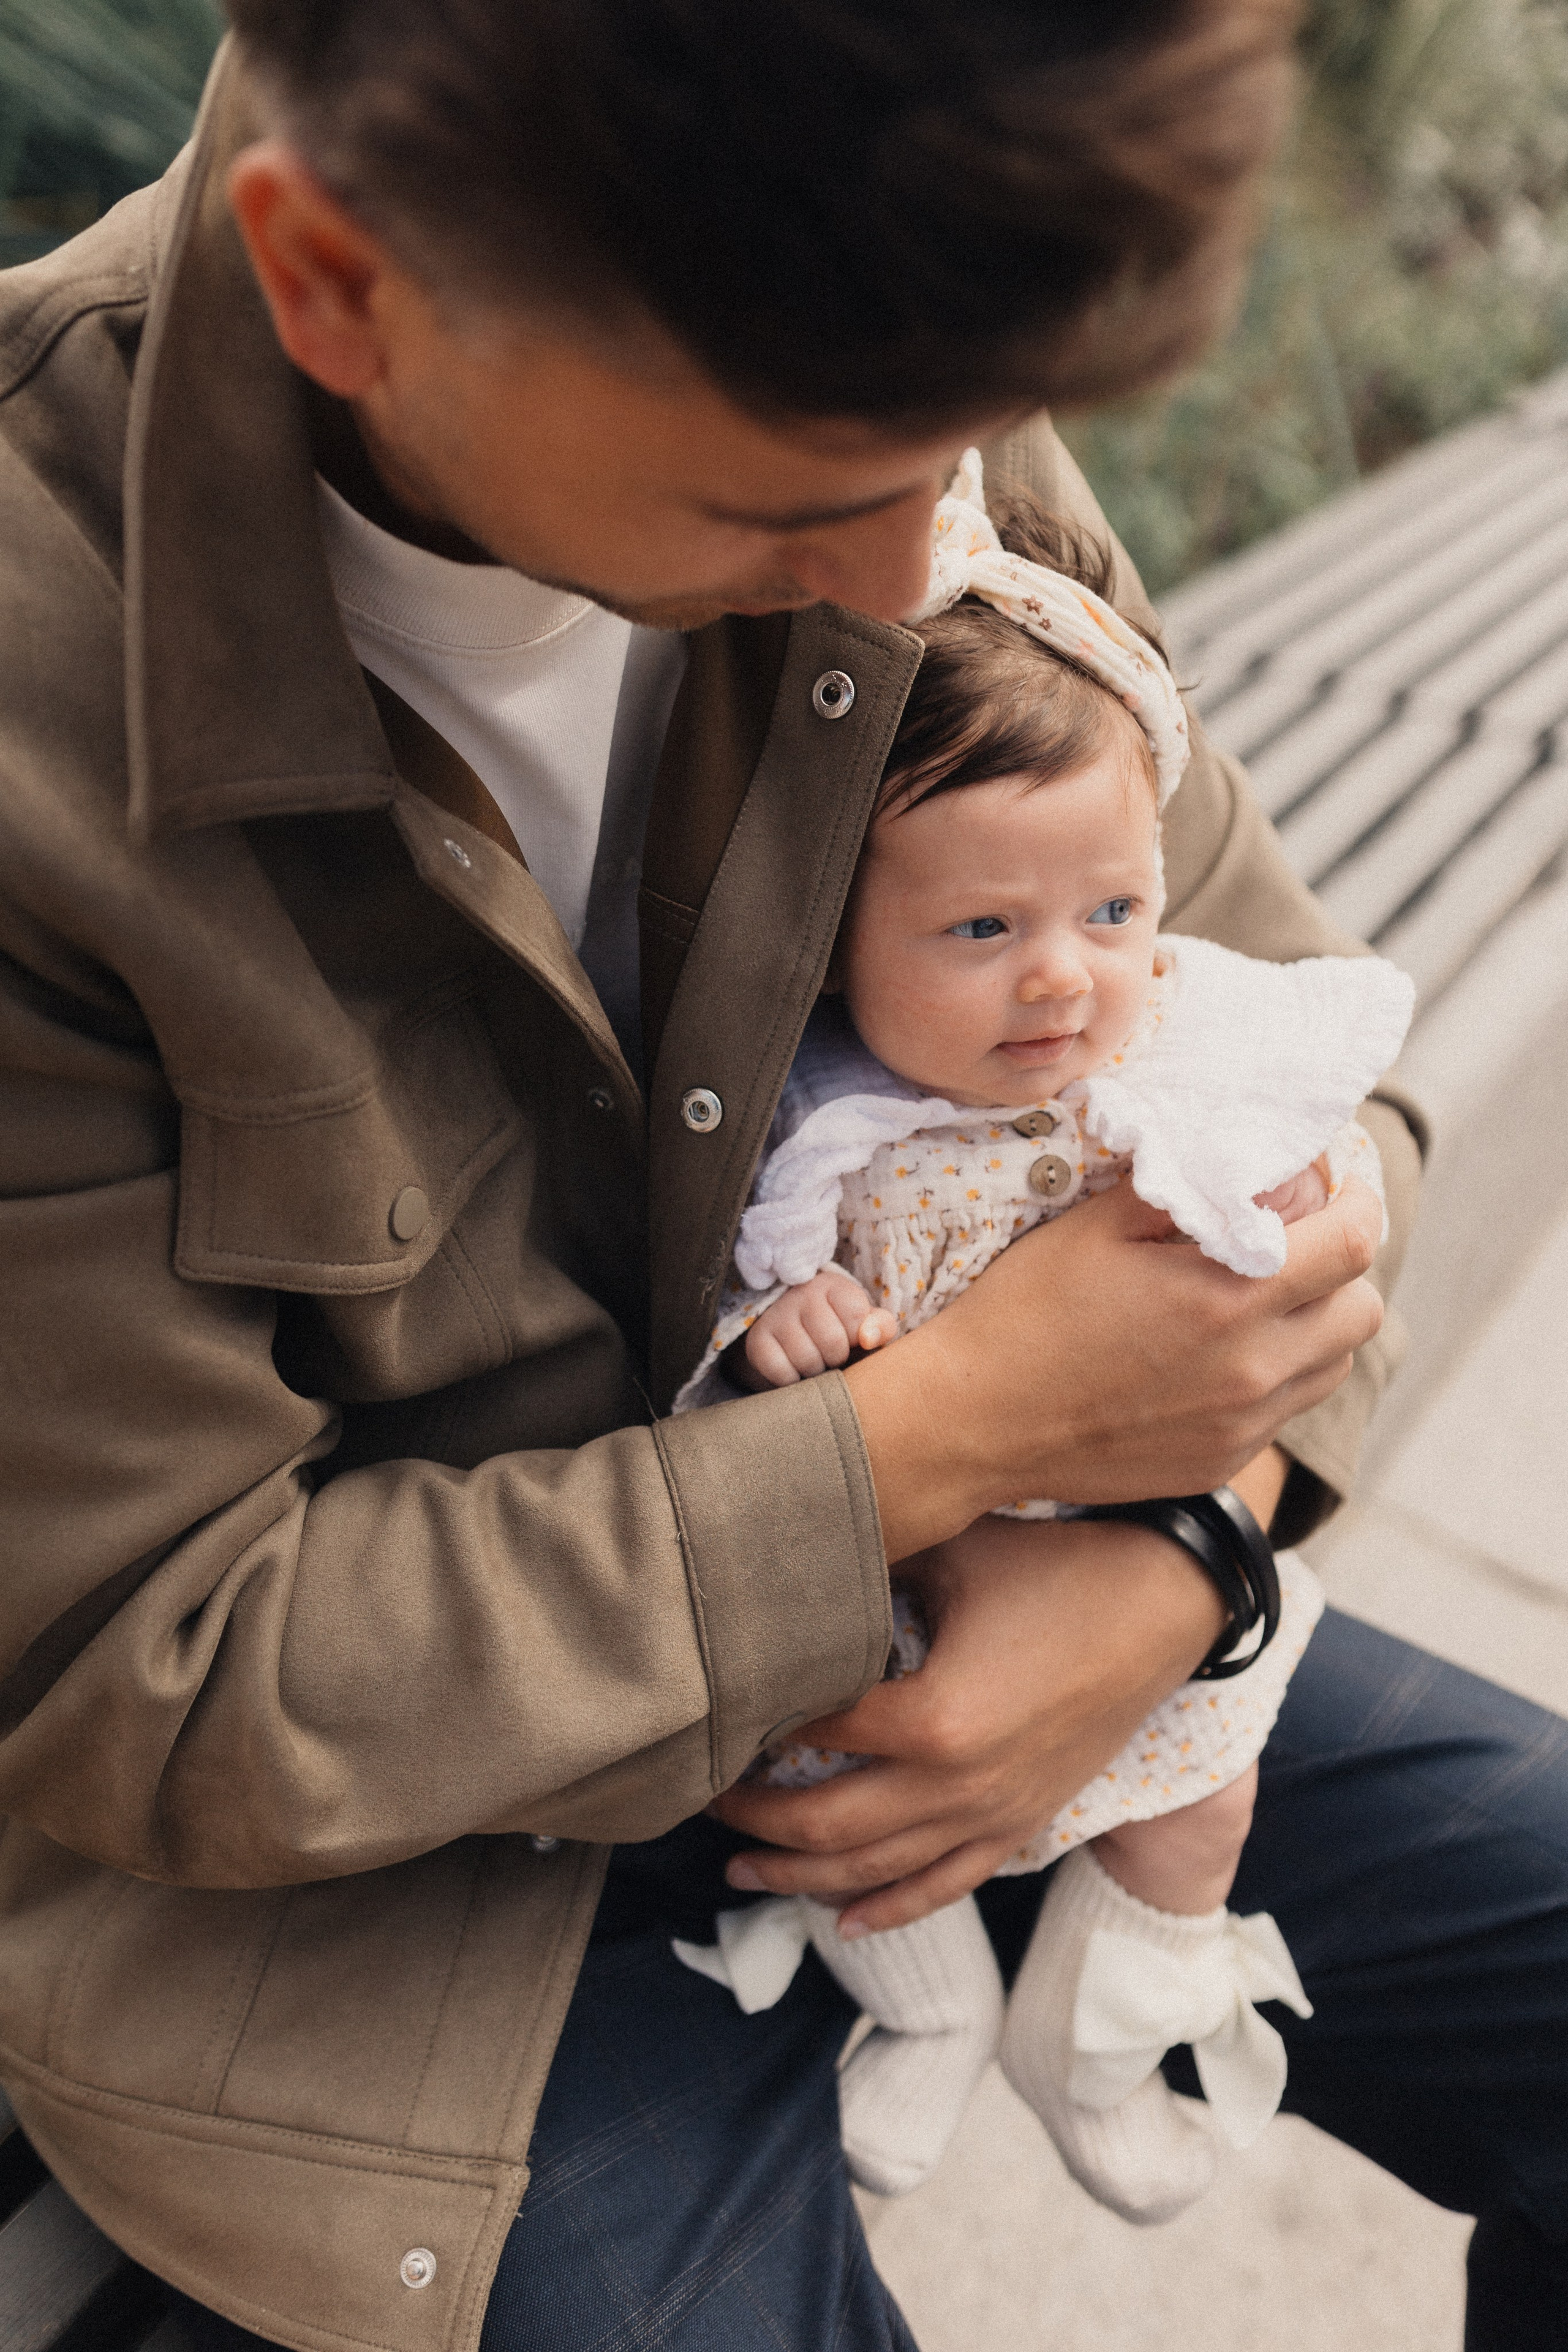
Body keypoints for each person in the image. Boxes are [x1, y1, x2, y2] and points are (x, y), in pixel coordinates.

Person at [0, 8, 1561, 2352]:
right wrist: (955, 1439)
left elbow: (1306, 1047)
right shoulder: (35, 670)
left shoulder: (872, 363)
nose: (928, 555)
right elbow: (152, 1673)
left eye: (960, 443)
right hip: (369, 1925)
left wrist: (1176, 1534)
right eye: (780, 501)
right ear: (338, 284)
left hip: (1014, 1612)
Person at [670, 460, 1411, 2220]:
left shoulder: (1172, 1028)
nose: (1063, 982)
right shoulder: (821, 1128)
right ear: (837, 940)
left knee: (1208, 1786)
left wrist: (1202, 1510)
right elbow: (737, 1289)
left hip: (1147, 1552)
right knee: (849, 1821)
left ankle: (1116, 1999)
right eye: (981, 934)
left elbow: (1340, 1161)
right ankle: (927, 2011)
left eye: (1110, 917)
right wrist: (793, 1320)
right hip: (879, 1603)